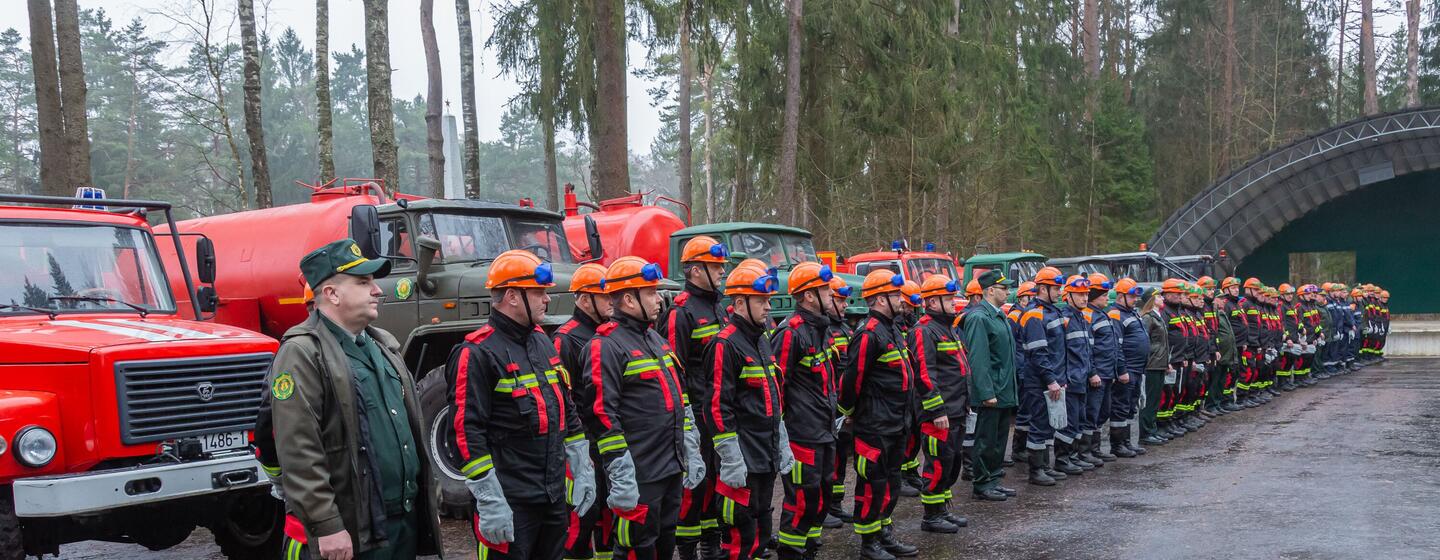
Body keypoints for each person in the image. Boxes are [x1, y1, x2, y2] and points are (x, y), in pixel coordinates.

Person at [266, 238, 442, 560]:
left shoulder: (383, 346)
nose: (376, 290)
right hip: (352, 531)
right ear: (332, 294)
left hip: (400, 522)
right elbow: (299, 449)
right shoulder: (302, 353)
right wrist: (326, 524)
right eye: (363, 282)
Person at [447, 250, 593, 560]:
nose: (547, 299)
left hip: (551, 498)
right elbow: (465, 434)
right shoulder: (477, 353)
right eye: (539, 292)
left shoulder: (541, 341)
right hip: (510, 502)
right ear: (513, 296)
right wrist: (489, 500)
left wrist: (582, 468)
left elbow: (566, 411)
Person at [582, 257, 706, 560]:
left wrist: (689, 447)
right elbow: (602, 415)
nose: (658, 300)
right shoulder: (605, 346)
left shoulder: (655, 339)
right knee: (637, 547)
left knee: (664, 542)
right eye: (650, 293)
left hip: (669, 467)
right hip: (639, 473)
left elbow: (679, 397)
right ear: (628, 299)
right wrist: (621, 471)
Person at [703, 260, 792, 560]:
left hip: (764, 454)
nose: (768, 307)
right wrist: (730, 458)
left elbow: (772, 396)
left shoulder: (761, 340)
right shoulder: (725, 344)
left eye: (768, 300)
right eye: (761, 301)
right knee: (740, 534)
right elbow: (717, 406)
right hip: (742, 458)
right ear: (740, 303)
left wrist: (781, 440)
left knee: (761, 529)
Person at [656, 236, 730, 560]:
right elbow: (675, 370)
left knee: (714, 478)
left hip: (717, 409)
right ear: (696, 270)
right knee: (694, 484)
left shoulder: (718, 307)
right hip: (696, 413)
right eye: (716, 266)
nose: (723, 271)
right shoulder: (681, 312)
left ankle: (711, 543)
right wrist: (686, 419)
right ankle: (686, 549)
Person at [839, 269, 920, 560]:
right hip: (875, 425)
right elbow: (852, 380)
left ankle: (884, 533)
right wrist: (848, 413)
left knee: (891, 482)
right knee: (872, 483)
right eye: (895, 294)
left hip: (897, 422)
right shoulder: (869, 333)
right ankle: (869, 543)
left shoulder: (892, 329)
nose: (901, 299)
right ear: (881, 299)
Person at [769, 263, 842, 558]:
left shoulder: (821, 328)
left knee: (822, 495)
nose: (831, 294)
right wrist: (782, 433)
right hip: (802, 433)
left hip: (823, 430)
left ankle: (808, 547)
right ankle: (790, 551)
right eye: (825, 290)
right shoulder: (791, 333)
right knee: (802, 498)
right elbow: (777, 385)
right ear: (809, 296)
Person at [553, 263, 615, 560]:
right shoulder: (566, 339)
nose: (612, 302)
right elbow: (562, 398)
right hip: (584, 443)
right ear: (586, 299)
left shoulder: (609, 333)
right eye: (605, 296)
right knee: (582, 515)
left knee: (609, 513)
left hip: (608, 439)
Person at [907, 274, 969, 530]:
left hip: (956, 409)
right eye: (948, 298)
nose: (954, 302)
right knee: (938, 463)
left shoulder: (947, 328)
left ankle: (942, 509)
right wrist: (936, 410)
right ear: (932, 302)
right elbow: (924, 374)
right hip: (939, 414)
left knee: (951, 463)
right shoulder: (923, 330)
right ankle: (931, 516)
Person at [962, 270, 1019, 502]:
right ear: (991, 290)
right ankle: (982, 484)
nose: (1008, 292)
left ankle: (994, 480)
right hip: (991, 392)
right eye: (1004, 288)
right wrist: (986, 392)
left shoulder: (998, 315)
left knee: (999, 441)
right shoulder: (979, 318)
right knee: (986, 441)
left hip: (1003, 389)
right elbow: (978, 359)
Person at [1016, 267, 1070, 486]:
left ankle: (1045, 466)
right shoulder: (1034, 314)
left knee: (1048, 424)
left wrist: (1059, 378)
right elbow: (1039, 353)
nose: (1059, 292)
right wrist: (1051, 380)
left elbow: (1058, 351)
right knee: (1039, 425)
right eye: (1055, 288)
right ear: (1043, 288)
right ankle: (1036, 470)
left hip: (1051, 378)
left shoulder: (1052, 311)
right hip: (1039, 381)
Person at [824, 277, 858, 528]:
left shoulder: (845, 329)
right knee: (828, 459)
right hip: (829, 405)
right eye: (840, 300)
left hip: (841, 405)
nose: (845, 305)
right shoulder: (825, 330)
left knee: (840, 457)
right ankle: (825, 506)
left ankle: (835, 504)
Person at [1055, 275, 1094, 474]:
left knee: (1079, 420)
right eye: (1080, 294)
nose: (1085, 298)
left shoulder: (1082, 317)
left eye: (1086, 294)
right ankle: (1062, 460)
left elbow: (1086, 351)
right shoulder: (1065, 318)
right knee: (1069, 423)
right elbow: (1059, 352)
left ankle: (1073, 456)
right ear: (1068, 296)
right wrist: (1063, 379)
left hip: (1081, 379)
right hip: (1070, 380)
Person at [1080, 273, 1119, 466]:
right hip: (1097, 375)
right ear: (1094, 295)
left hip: (1107, 373)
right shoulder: (1088, 315)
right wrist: (1092, 372)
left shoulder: (1102, 313)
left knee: (1103, 412)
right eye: (1104, 295)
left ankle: (1094, 449)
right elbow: (1087, 349)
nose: (1107, 298)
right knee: (1091, 413)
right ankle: (1085, 451)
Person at [1106, 278, 1148, 457]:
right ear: (1120, 296)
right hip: (1127, 369)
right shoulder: (1116, 314)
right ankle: (1117, 445)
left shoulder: (1132, 313)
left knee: (1131, 406)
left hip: (1137, 368)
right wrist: (1122, 370)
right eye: (1131, 296)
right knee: (1120, 406)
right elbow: (1116, 345)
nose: (1135, 299)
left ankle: (1127, 441)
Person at [1139, 286, 1171, 447]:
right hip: (1151, 364)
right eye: (1159, 296)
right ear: (1151, 300)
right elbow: (1144, 342)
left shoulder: (1158, 316)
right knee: (1150, 399)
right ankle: (1146, 433)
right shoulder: (1148, 318)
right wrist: (1152, 357)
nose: (1162, 298)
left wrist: (1166, 361)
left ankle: (1152, 429)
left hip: (1159, 363)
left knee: (1156, 399)